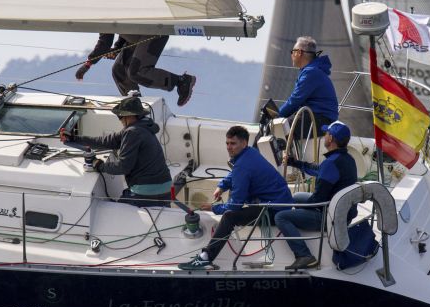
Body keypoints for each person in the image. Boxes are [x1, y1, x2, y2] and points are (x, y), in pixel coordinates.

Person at [178, 125, 293, 270]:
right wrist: (222, 186)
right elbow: (235, 174)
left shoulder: (242, 166)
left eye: (233, 143)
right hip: (281, 201)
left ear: (244, 143)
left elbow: (235, 205)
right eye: (227, 143)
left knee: (229, 217)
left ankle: (205, 258)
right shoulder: (250, 153)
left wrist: (214, 208)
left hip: (274, 210)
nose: (229, 147)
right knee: (233, 206)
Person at [61, 95, 172, 208]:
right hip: (167, 190)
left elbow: (123, 167)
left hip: (146, 192)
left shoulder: (132, 132)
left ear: (129, 116)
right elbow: (106, 141)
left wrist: (99, 165)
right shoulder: (144, 127)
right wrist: (74, 138)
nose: (120, 120)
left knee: (111, 211)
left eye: (120, 116)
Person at [275, 121, 358, 270]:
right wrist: (295, 163)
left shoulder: (331, 163)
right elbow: (318, 170)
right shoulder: (347, 159)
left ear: (330, 138)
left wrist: (298, 209)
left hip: (330, 217)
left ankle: (304, 255)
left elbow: (317, 200)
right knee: (296, 197)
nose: (324, 136)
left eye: (326, 133)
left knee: (281, 216)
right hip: (342, 211)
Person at [76, 33, 196, 107]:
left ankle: (181, 81)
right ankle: (135, 106)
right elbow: (117, 27)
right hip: (136, 36)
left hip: (153, 32)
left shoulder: (102, 13)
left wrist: (87, 65)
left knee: (136, 72)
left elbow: (104, 44)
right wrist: (117, 48)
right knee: (119, 71)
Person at [277, 36, 338, 130]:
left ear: (299, 53)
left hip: (320, 119)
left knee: (276, 128)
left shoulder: (310, 72)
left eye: (292, 51)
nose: (291, 55)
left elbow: (295, 101)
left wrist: (276, 116)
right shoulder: (313, 70)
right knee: (280, 126)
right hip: (320, 117)